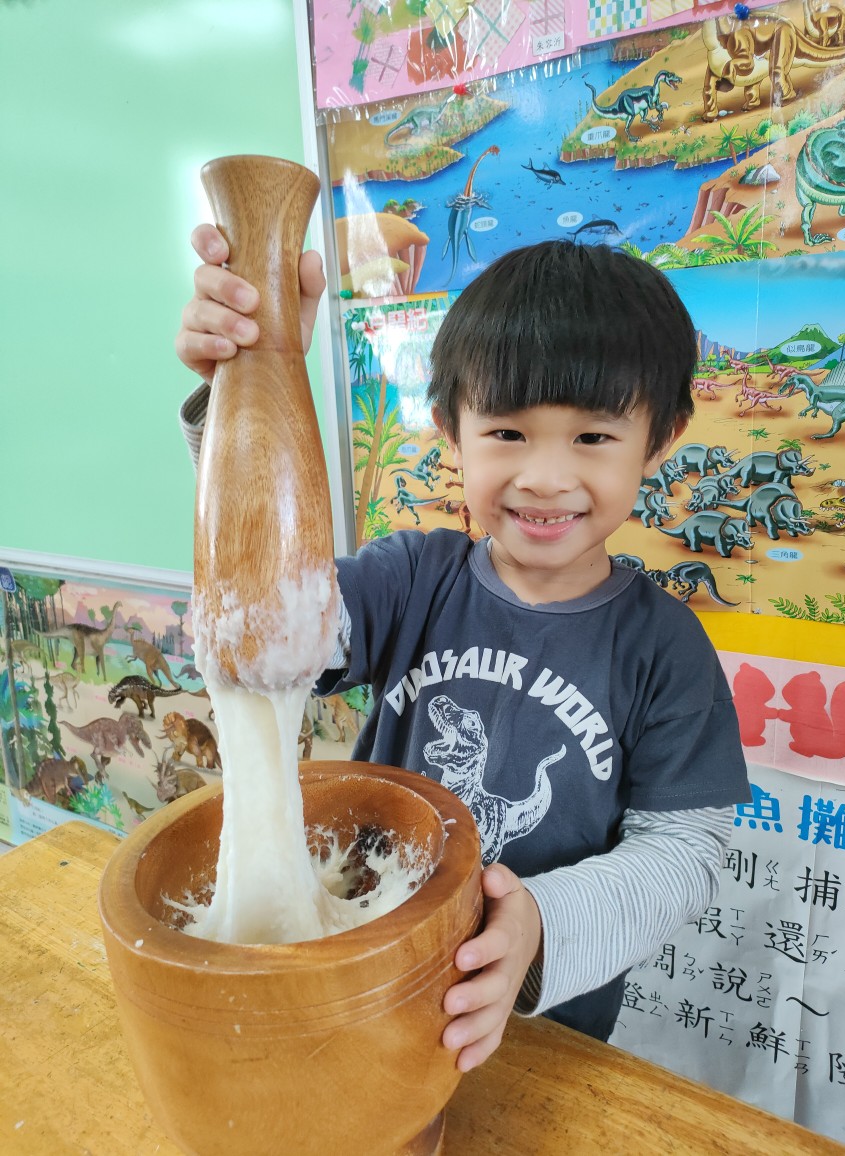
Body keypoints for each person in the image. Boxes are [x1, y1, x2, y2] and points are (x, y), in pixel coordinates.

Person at [176, 230, 750, 1073]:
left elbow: (682, 855)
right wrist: (251, 385)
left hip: (538, 1028)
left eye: (592, 438)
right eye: (508, 432)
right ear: (451, 428)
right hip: (356, 989)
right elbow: (261, 623)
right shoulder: (410, 578)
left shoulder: (664, 647)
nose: (545, 477)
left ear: (659, 438)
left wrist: (536, 925)